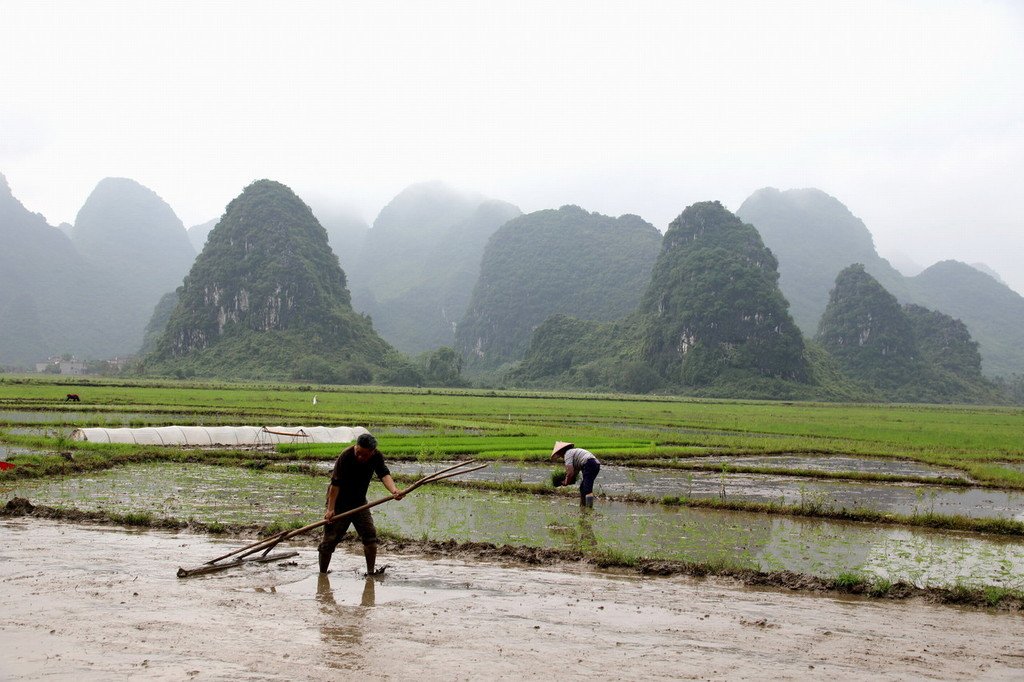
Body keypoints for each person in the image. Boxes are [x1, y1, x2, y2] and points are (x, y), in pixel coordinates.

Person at [319, 433, 404, 575]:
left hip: (359, 502)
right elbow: (335, 485)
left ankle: (371, 573)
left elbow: (383, 474)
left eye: (364, 455)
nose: (360, 457)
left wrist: (394, 491)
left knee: (370, 536)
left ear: (372, 452)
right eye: (358, 453)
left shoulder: (376, 457)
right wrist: (330, 509)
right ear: (355, 447)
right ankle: (322, 574)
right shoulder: (345, 456)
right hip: (339, 502)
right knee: (329, 540)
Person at [551, 441, 601, 508]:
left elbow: (570, 472)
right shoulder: (573, 453)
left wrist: (566, 482)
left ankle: (589, 509)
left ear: (561, 451)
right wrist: (568, 480)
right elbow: (574, 473)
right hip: (594, 464)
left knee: (587, 489)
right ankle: (582, 506)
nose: (561, 457)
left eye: (559, 455)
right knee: (583, 488)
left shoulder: (567, 454)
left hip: (589, 464)